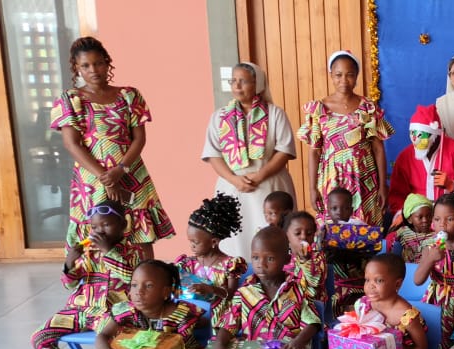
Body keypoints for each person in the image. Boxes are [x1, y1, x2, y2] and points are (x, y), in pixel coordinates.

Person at [52, 37, 174, 259]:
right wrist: (105, 177)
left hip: (131, 174)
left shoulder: (129, 95)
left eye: (98, 63)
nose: (93, 70)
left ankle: (147, 284)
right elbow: (71, 144)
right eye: (85, 65)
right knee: (98, 234)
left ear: (107, 63)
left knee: (140, 233)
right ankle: (104, 288)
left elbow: (139, 139)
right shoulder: (70, 100)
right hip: (92, 179)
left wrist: (120, 170)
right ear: (76, 68)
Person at [31, 200, 144, 349]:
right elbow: (70, 284)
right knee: (40, 337)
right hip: (81, 309)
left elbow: (133, 279)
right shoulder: (88, 251)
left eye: (106, 225)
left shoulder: (133, 251)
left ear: (123, 224)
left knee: (109, 337)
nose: (99, 231)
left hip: (112, 312)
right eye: (94, 227)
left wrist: (109, 251)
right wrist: (69, 263)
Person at [201, 62, 298, 260]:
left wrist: (259, 175)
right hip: (232, 188)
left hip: (269, 186)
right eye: (233, 81)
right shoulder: (219, 117)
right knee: (236, 240)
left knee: (270, 238)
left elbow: (284, 150)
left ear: (258, 84)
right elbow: (213, 154)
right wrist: (234, 179)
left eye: (243, 81)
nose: (237, 86)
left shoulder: (275, 114)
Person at [297, 51, 393, 226]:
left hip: (364, 180)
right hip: (332, 179)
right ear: (331, 76)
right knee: (334, 231)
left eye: (350, 75)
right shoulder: (319, 110)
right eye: (338, 75)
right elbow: (314, 153)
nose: (344, 80)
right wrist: (312, 188)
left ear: (357, 76)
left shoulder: (367, 108)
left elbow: (378, 149)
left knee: (365, 229)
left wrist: (382, 185)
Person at [173, 192, 247, 328]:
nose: (192, 246)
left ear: (213, 241)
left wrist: (211, 289)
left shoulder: (230, 265)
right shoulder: (188, 264)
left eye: (195, 242)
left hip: (219, 318)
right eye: (190, 241)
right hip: (192, 314)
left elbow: (231, 295)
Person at [389, 106, 454, 214]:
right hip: (416, 219)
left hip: (451, 217)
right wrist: (403, 215)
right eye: (412, 134)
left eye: (420, 136)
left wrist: (452, 186)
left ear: (435, 135)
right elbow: (396, 195)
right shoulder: (405, 157)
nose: (415, 141)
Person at [414, 193, 454, 341]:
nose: (442, 224)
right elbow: (417, 280)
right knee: (439, 340)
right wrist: (430, 260)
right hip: (439, 304)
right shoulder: (430, 248)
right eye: (437, 219)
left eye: (450, 219)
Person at [324, 188, 370, 314]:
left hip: (357, 278)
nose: (339, 212)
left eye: (344, 208)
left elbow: (368, 253)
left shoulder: (360, 228)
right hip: (334, 281)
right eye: (334, 208)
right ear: (328, 210)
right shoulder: (324, 230)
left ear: (351, 210)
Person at [283, 211, 326, 302]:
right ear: (287, 236)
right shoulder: (282, 259)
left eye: (309, 233)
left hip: (312, 305)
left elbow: (315, 282)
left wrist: (306, 259)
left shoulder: (319, 258)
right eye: (298, 233)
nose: (303, 237)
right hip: (287, 305)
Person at [389, 194, 435, 264]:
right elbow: (394, 255)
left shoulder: (436, 236)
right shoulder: (402, 233)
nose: (425, 220)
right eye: (420, 217)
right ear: (409, 219)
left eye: (429, 216)